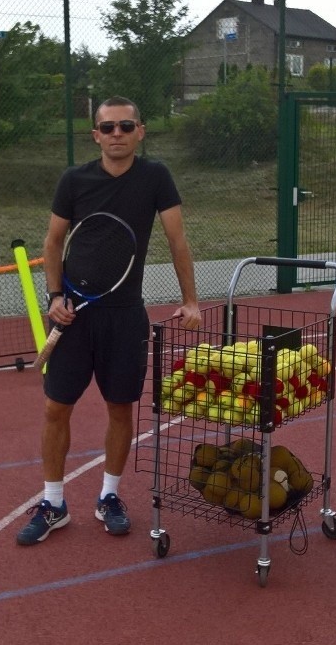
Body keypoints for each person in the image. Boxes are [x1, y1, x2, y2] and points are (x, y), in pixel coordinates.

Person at [16, 95, 201, 545]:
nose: (117, 134)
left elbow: (177, 241)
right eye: (108, 127)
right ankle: (53, 503)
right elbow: (54, 242)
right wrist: (55, 295)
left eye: (126, 126)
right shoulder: (74, 180)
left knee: (121, 409)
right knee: (55, 408)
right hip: (75, 317)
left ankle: (109, 497)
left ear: (141, 131)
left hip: (124, 317)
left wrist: (191, 300)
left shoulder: (155, 176)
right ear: (95, 134)